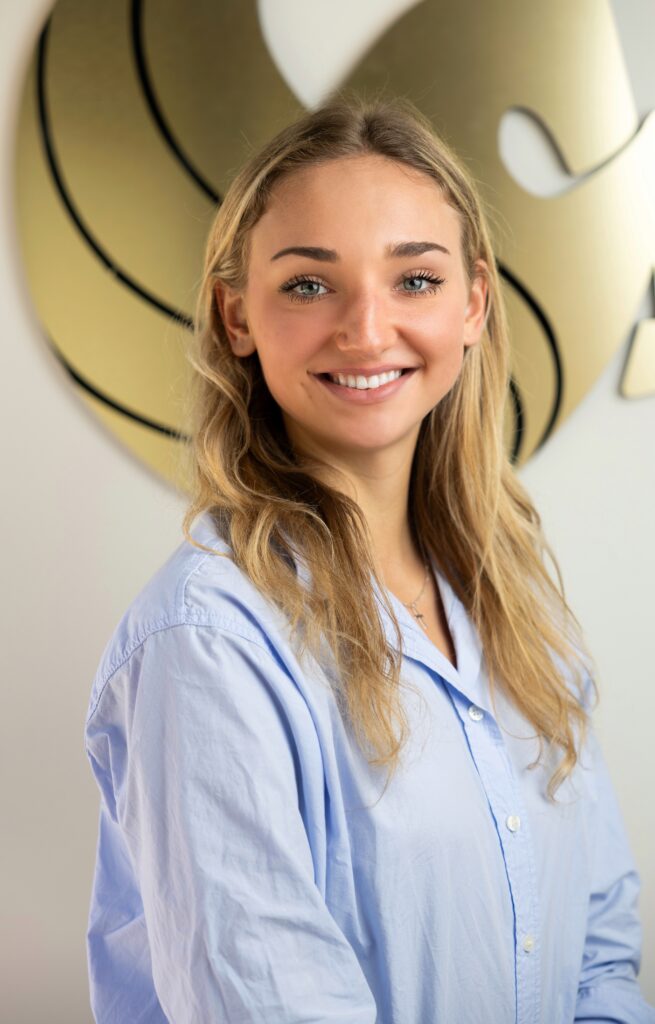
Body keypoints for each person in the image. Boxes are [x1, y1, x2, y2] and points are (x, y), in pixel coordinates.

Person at [84, 94, 654, 1023]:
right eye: (309, 285)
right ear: (237, 317)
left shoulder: (515, 610)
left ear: (472, 303)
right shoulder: (208, 645)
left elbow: (599, 955)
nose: (365, 329)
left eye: (414, 281)